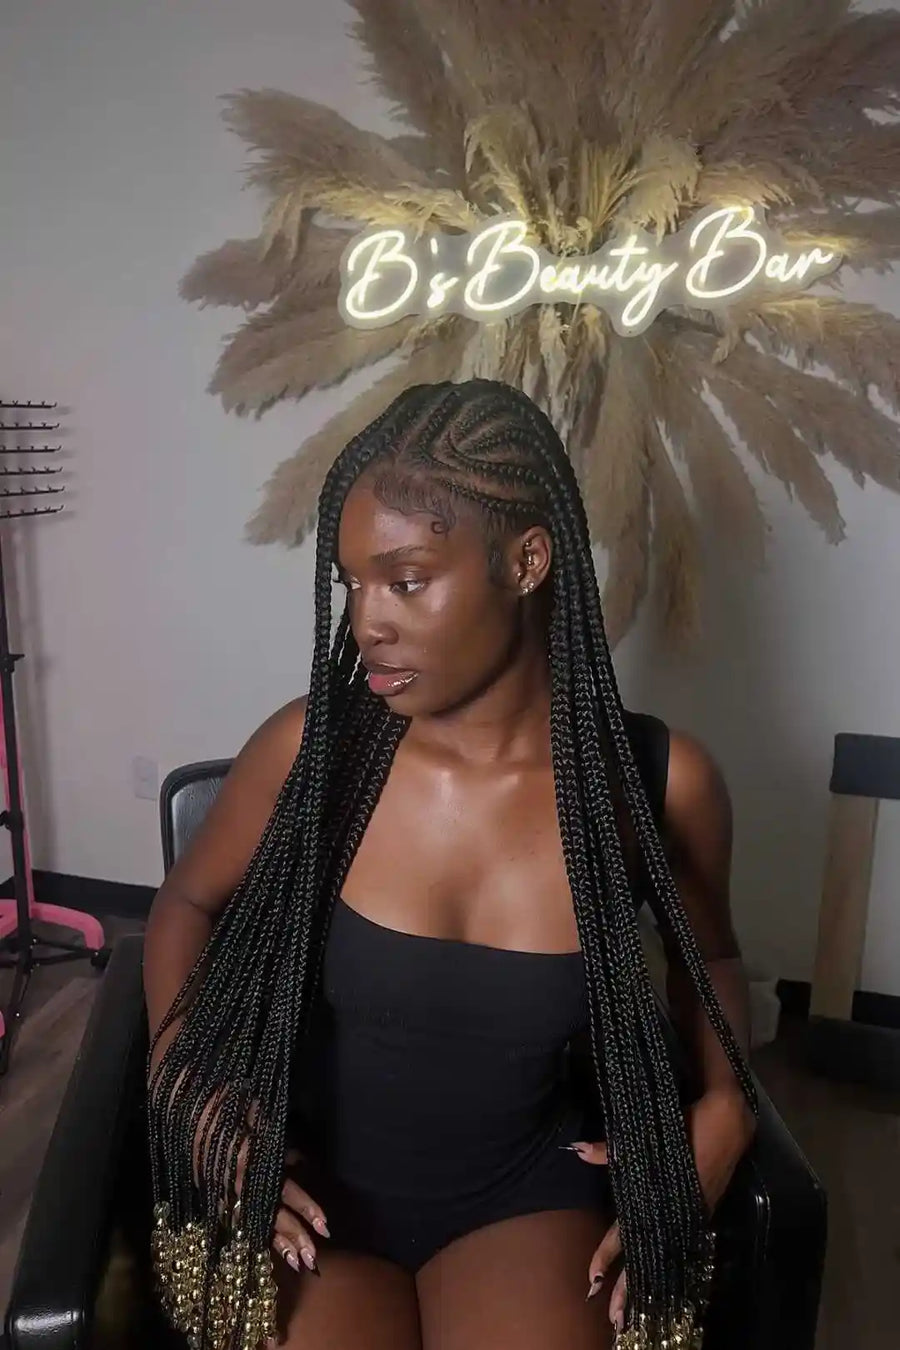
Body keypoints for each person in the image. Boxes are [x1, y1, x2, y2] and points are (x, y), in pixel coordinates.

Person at [143, 379, 758, 1350]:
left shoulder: (652, 786)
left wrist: (729, 1104)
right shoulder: (316, 755)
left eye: (407, 578)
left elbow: (711, 960)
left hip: (525, 1190)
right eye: (351, 584)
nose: (365, 623)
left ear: (525, 560)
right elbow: (185, 902)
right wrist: (187, 1086)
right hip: (311, 1184)